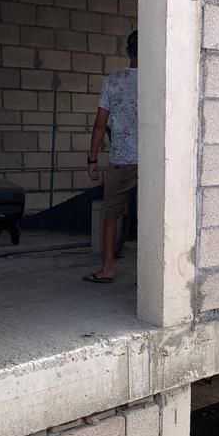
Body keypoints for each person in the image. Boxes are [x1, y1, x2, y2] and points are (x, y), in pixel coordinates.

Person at [85, 29, 138, 283]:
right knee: (150, 218)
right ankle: (149, 277)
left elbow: (99, 124)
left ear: (127, 50)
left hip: (121, 161)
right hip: (153, 163)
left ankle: (107, 269)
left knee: (111, 214)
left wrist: (92, 159)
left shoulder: (113, 81)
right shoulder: (159, 80)